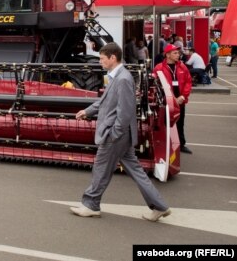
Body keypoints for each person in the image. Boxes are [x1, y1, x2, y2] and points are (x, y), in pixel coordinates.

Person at [70, 42, 170, 222]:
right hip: (121, 134)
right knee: (136, 170)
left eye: (102, 59)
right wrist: (87, 111)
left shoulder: (122, 79)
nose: (100, 62)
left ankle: (91, 204)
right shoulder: (118, 76)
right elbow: (105, 102)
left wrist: (114, 134)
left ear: (112, 58)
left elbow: (125, 112)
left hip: (115, 135)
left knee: (101, 168)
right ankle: (160, 206)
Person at [153, 44, 193, 154]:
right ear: (168, 55)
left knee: (180, 123)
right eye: (175, 53)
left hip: (180, 101)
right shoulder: (159, 68)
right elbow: (156, 86)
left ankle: (181, 145)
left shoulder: (182, 67)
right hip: (166, 102)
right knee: (165, 124)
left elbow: (188, 82)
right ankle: (165, 145)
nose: (178, 55)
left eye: (178, 53)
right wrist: (170, 98)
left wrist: (182, 96)